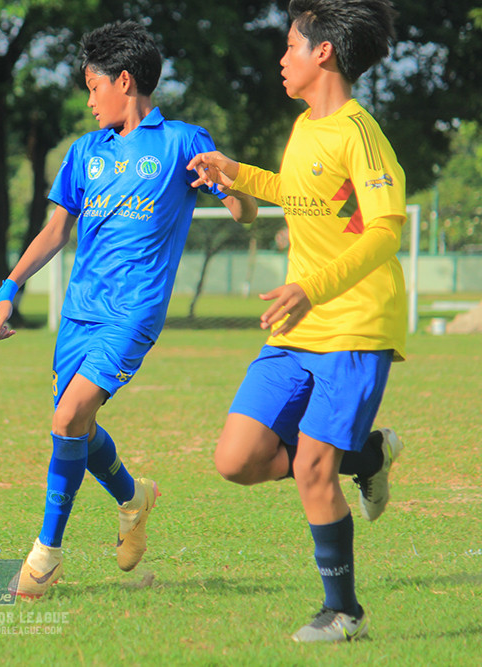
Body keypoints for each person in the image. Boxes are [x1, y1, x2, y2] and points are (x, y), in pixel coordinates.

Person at [0, 21, 257, 599]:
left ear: (124, 81)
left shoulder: (183, 142)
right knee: (74, 423)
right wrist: (9, 287)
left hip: (133, 312)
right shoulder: (85, 152)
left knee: (66, 421)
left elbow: (244, 212)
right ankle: (134, 500)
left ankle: (45, 558)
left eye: (93, 87)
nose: (88, 102)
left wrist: (234, 185)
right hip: (80, 312)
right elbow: (56, 229)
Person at [187, 0, 406, 643]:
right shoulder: (306, 125)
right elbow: (297, 191)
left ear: (323, 52)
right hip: (298, 324)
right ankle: (365, 453)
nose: (281, 57)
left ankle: (345, 613)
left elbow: (386, 229)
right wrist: (234, 172)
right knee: (237, 458)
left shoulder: (360, 132)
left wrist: (314, 285)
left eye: (290, 45)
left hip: (355, 325)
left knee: (312, 468)